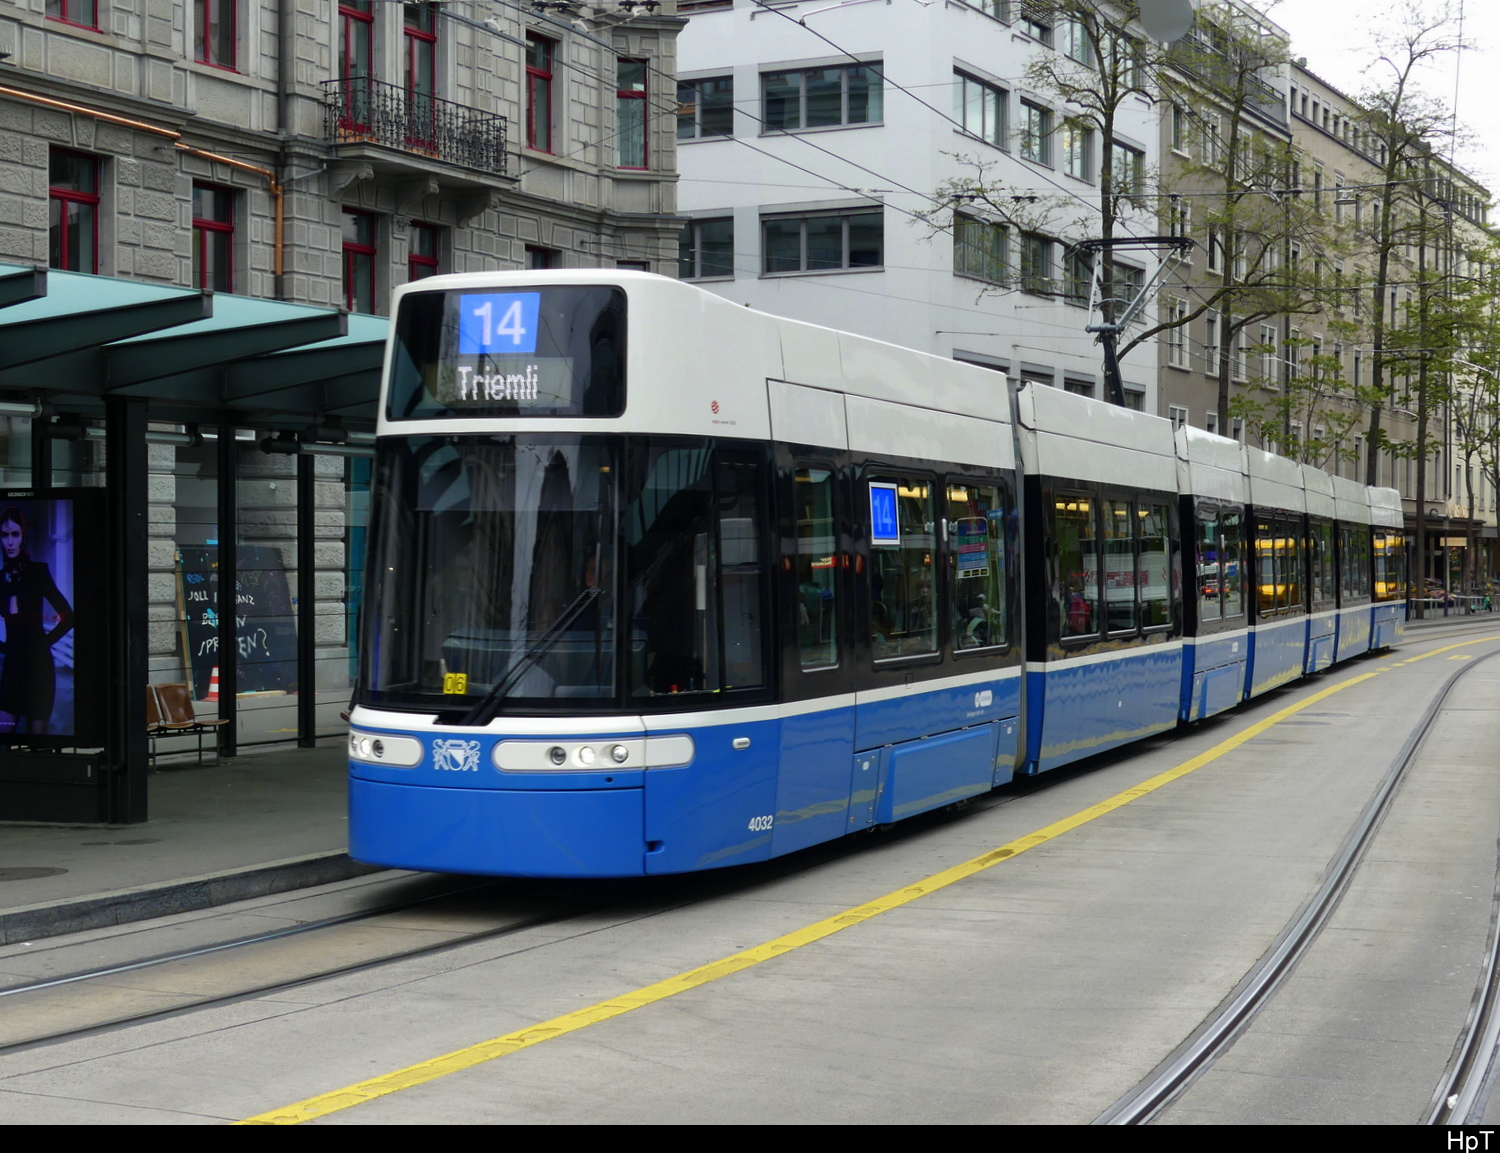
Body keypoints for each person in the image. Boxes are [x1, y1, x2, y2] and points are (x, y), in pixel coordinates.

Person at [0, 507, 74, 736]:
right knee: (4, 737)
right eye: (4, 535)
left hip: (38, 667)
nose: (9, 542)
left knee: (37, 743)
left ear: (23, 536)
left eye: (15, 534)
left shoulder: (38, 572)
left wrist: (44, 643)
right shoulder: (1, 579)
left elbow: (68, 616)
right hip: (12, 667)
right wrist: (4, 648)